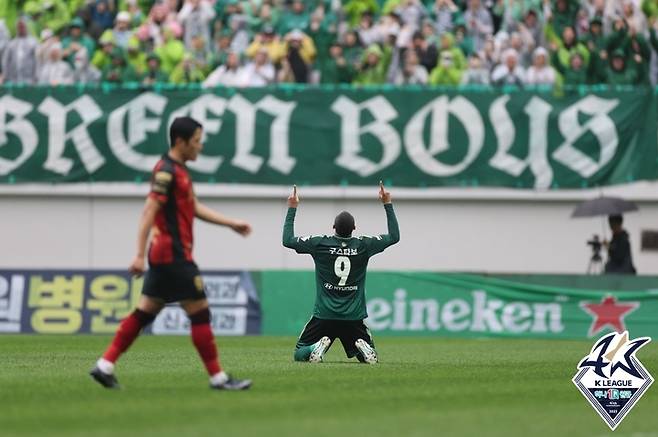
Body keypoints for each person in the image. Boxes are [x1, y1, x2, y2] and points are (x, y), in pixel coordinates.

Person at [90, 117, 253, 390]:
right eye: (197, 142)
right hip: (173, 255)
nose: (200, 147)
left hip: (163, 256)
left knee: (144, 313)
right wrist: (138, 254)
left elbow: (194, 208)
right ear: (181, 141)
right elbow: (149, 210)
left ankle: (105, 365)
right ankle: (218, 378)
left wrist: (230, 223)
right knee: (200, 313)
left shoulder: (178, 171)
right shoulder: (166, 171)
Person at [282, 183, 400, 364]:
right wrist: (387, 203)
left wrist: (292, 207)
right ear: (354, 228)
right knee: (367, 356)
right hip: (353, 316)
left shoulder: (320, 243)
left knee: (300, 353)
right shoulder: (363, 245)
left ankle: (315, 348)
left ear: (333, 227)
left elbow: (288, 240)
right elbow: (394, 237)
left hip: (324, 314)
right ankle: (363, 347)